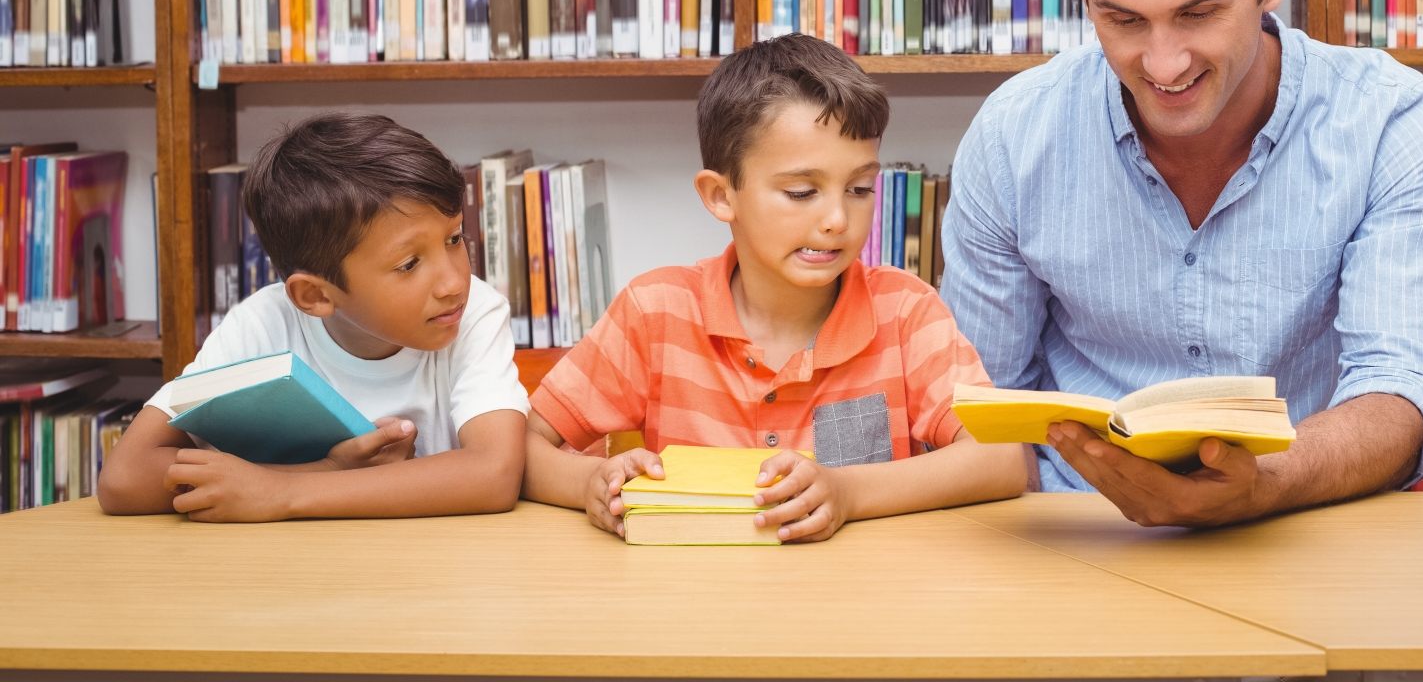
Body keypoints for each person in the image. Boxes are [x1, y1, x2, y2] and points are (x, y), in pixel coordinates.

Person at [941, 0, 1423, 528]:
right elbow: (980, 400)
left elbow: (1403, 395)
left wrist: (1264, 485)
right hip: (1077, 533)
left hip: (1307, 526)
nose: (1163, 65)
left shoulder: (1393, 125)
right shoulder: (1013, 135)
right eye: (1123, 20)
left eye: (1198, 13)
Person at [522, 33, 1026, 541]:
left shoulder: (905, 311)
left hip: (859, 603)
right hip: (694, 600)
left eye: (860, 189)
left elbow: (1003, 459)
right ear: (721, 196)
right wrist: (591, 480)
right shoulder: (656, 313)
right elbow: (521, 447)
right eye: (801, 192)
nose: (836, 219)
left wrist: (849, 493)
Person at [97, 114, 530, 521]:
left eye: (454, 237)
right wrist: (326, 468)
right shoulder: (261, 328)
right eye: (409, 264)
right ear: (315, 295)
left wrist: (281, 492)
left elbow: (493, 475)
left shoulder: (473, 314)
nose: (454, 281)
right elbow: (124, 479)